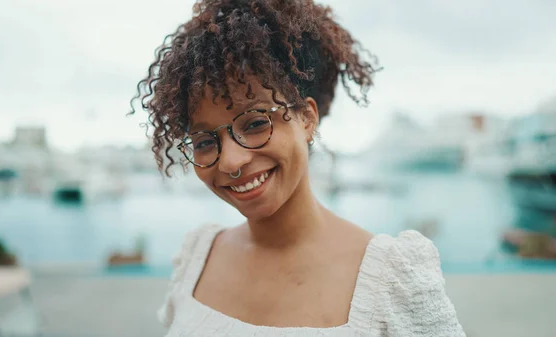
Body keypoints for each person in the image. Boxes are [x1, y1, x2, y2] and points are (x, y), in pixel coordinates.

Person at [131, 0, 466, 335]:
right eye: (204, 142)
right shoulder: (197, 257)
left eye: (255, 123)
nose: (231, 161)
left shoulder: (391, 279)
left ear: (307, 118)